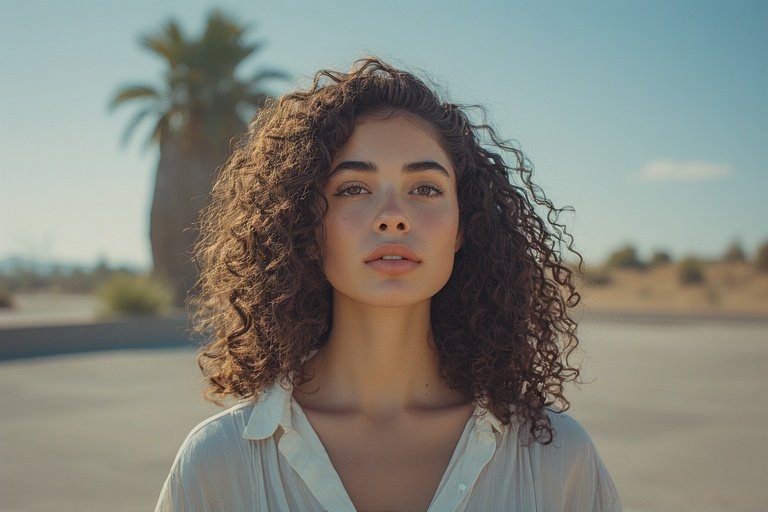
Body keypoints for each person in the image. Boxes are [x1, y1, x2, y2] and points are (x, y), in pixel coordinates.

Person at [155, 57, 621, 512]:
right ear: (307, 227)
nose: (394, 217)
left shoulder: (559, 457)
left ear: (463, 227)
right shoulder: (217, 463)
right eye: (354, 188)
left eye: (426, 189)